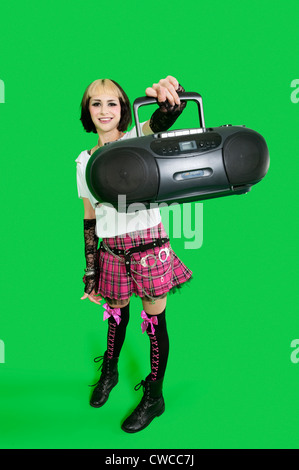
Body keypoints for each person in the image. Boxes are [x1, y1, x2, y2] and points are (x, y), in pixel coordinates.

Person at [76, 76, 192, 433]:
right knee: (115, 315)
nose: (104, 110)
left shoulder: (137, 140)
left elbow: (163, 119)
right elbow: (90, 217)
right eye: (96, 103)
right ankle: (110, 371)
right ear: (88, 112)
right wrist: (91, 271)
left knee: (155, 323)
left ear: (123, 109)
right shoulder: (83, 160)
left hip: (148, 248)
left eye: (112, 103)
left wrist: (170, 99)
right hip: (110, 250)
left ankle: (155, 396)